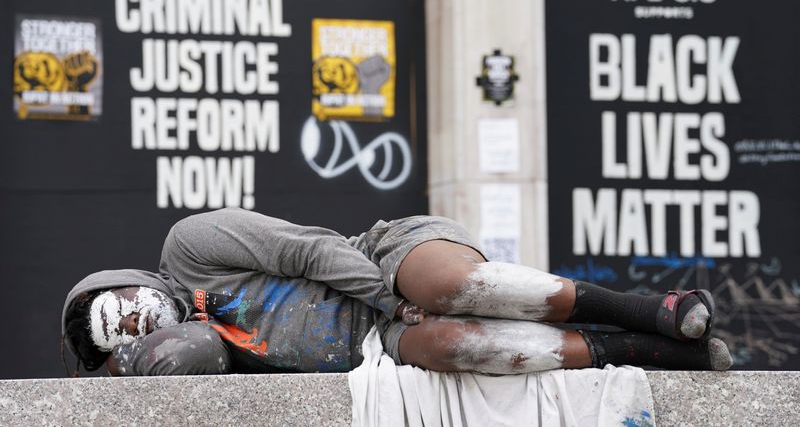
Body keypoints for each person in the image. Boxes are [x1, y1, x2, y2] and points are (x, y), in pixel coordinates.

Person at [61, 208, 731, 376]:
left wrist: (392, 299)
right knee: (455, 346)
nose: (134, 320)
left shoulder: (189, 246)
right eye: (123, 333)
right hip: (377, 344)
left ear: (131, 282)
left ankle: (649, 311)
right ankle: (648, 353)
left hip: (383, 261)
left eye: (120, 306)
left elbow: (307, 248)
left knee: (455, 288)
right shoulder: (199, 354)